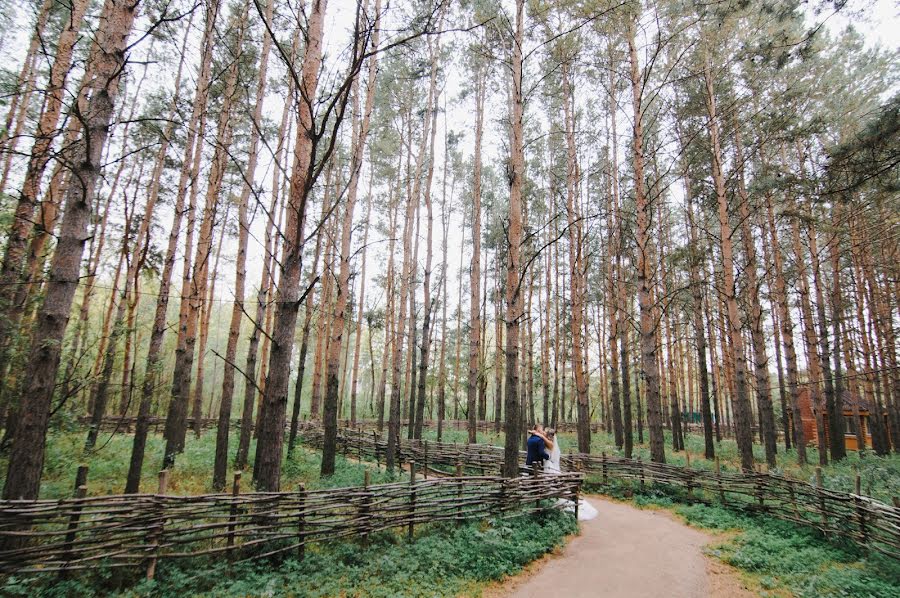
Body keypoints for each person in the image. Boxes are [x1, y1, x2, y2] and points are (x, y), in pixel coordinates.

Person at [528, 427, 599, 521]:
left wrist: (537, 433)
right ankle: (549, 497)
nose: (543, 433)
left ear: (548, 436)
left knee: (550, 482)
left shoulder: (550, 443)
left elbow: (545, 447)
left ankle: (552, 498)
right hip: (547, 465)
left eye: (544, 432)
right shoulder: (546, 441)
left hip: (549, 465)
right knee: (549, 482)